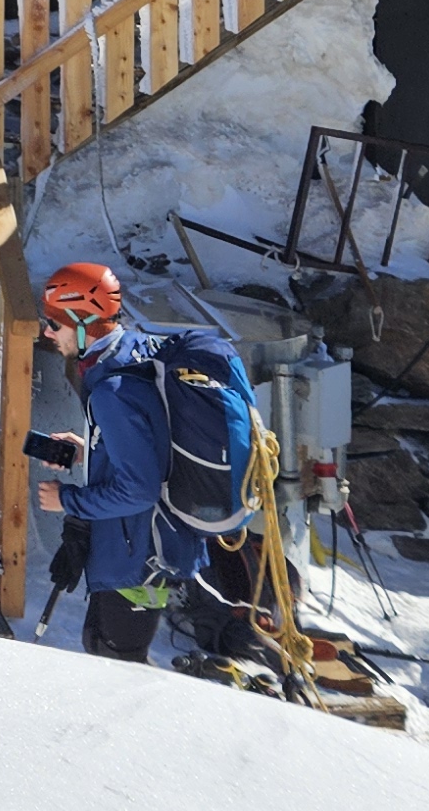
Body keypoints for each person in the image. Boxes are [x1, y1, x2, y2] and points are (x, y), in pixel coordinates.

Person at [23, 263, 261, 666]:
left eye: (55, 324)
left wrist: (68, 500)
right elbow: (155, 437)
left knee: (117, 665)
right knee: (108, 654)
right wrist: (89, 448)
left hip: (138, 555)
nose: (47, 333)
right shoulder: (136, 351)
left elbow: (138, 490)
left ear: (83, 324)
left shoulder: (111, 392)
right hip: (149, 545)